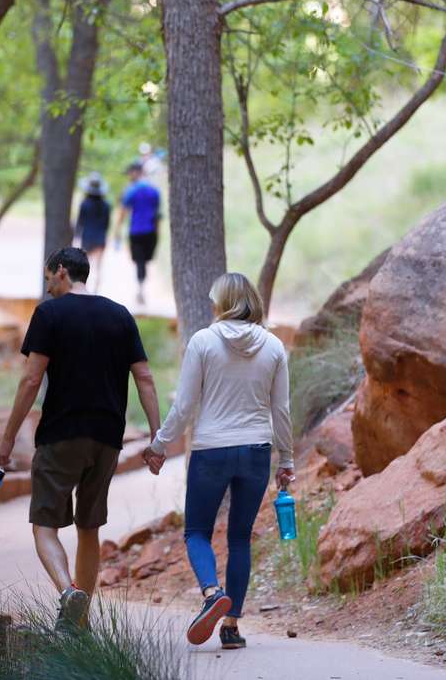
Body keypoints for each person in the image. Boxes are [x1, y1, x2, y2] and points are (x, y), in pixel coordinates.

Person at [0, 247, 161, 630]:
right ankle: (79, 624)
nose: (47, 284)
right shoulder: (120, 315)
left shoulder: (49, 314)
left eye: (49, 276)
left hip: (60, 436)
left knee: (44, 525)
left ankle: (68, 593)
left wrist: (7, 439)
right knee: (89, 528)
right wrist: (156, 437)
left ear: (63, 272)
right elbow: (145, 378)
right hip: (106, 438)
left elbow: (32, 379)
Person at [142, 273, 295, 650]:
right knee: (240, 537)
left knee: (197, 531)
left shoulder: (204, 341)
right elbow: (282, 410)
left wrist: (159, 445)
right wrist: (287, 459)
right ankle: (230, 627)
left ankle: (212, 592)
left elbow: (185, 405)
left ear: (222, 302)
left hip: (212, 449)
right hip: (256, 451)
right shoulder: (274, 346)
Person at [113, 160, 161, 306]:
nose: (129, 175)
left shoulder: (132, 190)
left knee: (139, 260)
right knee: (144, 261)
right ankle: (141, 288)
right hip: (151, 231)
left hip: (136, 230)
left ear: (136, 172)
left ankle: (140, 288)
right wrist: (157, 233)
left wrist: (118, 229)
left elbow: (123, 209)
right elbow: (158, 213)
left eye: (130, 173)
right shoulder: (154, 190)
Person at [74, 172, 111, 291]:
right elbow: (107, 224)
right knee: (98, 266)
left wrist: (76, 236)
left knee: (86, 265)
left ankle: (86, 289)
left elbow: (80, 223)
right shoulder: (106, 205)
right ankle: (96, 290)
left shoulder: (84, 204)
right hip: (100, 238)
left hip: (87, 238)